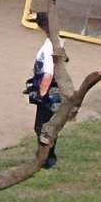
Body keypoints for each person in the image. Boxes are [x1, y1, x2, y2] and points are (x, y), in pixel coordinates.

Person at [29, 11, 59, 170]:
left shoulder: (48, 48)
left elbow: (48, 73)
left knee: (43, 127)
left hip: (48, 92)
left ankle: (46, 159)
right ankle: (46, 156)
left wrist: (41, 94)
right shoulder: (57, 41)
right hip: (54, 90)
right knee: (49, 125)